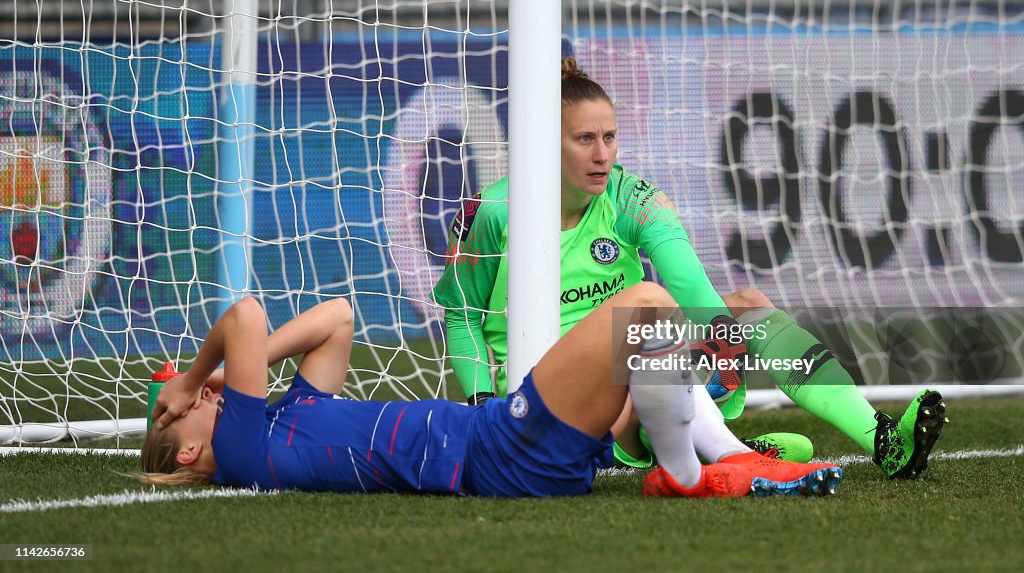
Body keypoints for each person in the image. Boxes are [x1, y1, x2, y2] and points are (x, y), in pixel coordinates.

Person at [431, 57, 948, 480]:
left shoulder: (632, 199)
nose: (602, 154)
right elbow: (460, 318)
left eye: (610, 137)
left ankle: (882, 441)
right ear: (545, 142)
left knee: (747, 308)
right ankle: (728, 453)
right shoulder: (493, 214)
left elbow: (690, 286)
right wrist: (482, 409)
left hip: (639, 382)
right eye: (584, 139)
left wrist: (719, 341)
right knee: (647, 340)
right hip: (547, 403)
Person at [139, 283, 843, 498]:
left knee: (651, 339)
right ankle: (691, 468)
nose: (209, 397)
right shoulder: (241, 453)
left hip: (503, 452)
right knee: (648, 305)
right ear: (194, 446)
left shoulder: (289, 417)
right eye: (195, 411)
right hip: (495, 451)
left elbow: (337, 319)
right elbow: (244, 317)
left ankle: (701, 456)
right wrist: (195, 379)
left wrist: (224, 376)